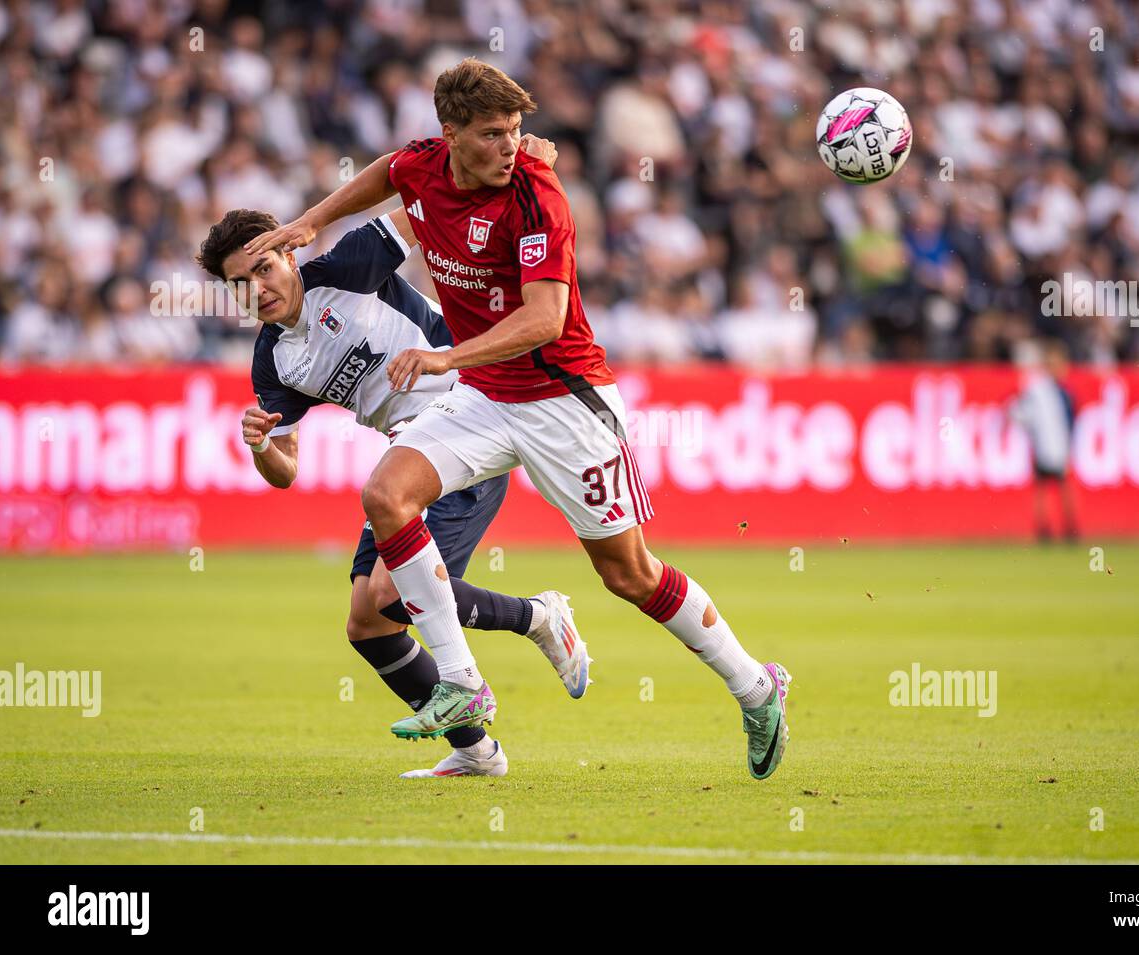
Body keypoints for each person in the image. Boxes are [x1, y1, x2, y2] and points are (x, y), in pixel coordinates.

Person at [247, 58, 790, 780]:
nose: (511, 146)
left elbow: (545, 318)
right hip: (484, 396)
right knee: (385, 495)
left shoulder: (538, 197)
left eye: (516, 131)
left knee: (628, 574)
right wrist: (313, 219)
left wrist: (446, 359)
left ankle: (756, 686)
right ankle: (463, 682)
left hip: (565, 400)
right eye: (493, 133)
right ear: (450, 137)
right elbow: (387, 170)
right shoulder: (423, 166)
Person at [197, 138, 592, 779]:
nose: (258, 288)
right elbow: (286, 471)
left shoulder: (346, 265)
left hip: (469, 425)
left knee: (387, 596)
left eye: (264, 267)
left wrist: (514, 163)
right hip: (409, 460)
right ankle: (475, 752)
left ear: (288, 253)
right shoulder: (274, 359)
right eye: (241, 284)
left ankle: (541, 616)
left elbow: (422, 204)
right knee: (368, 625)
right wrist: (264, 443)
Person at [1009, 339, 1079, 541]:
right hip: (1047, 447)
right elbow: (1021, 412)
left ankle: (1067, 529)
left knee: (1058, 489)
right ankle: (1046, 530)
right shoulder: (1039, 389)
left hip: (1057, 447)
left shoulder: (1060, 392)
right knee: (1048, 489)